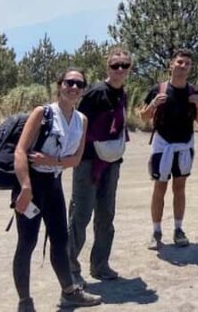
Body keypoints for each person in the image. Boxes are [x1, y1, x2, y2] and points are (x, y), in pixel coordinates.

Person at [12, 67, 102, 311]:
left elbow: (75, 159)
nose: (73, 87)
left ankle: (69, 292)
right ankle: (25, 302)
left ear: (83, 90)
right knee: (27, 243)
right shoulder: (42, 113)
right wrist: (25, 187)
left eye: (79, 84)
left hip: (53, 185)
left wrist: (50, 161)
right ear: (59, 84)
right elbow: (20, 151)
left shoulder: (81, 120)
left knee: (60, 241)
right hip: (31, 185)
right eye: (69, 82)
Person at [68, 47, 131, 287]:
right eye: (115, 65)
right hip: (87, 163)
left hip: (111, 163)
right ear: (108, 67)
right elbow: (78, 125)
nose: (120, 69)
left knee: (106, 214)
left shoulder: (122, 93)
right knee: (80, 215)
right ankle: (71, 269)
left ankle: (100, 265)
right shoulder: (95, 93)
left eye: (124, 65)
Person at [140, 48, 198, 250]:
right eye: (179, 62)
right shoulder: (158, 89)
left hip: (185, 145)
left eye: (187, 63)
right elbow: (143, 117)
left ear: (190, 67)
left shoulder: (194, 92)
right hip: (163, 145)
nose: (183, 66)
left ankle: (178, 229)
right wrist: (152, 104)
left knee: (180, 188)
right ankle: (156, 231)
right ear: (171, 64)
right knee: (159, 187)